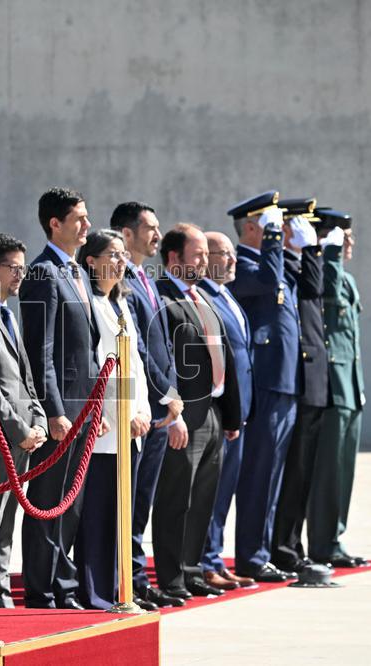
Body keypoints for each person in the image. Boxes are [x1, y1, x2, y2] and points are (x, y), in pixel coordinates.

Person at [19, 187, 101, 610]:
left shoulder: (76, 272)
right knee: (49, 502)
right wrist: (53, 410)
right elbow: (41, 349)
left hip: (83, 408)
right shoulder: (42, 273)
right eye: (79, 218)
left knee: (72, 504)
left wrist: (95, 406)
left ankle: (63, 586)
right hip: (60, 413)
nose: (87, 225)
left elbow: (85, 351)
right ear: (55, 223)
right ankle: (42, 588)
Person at [153, 223, 241, 599]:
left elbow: (227, 356)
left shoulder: (202, 297)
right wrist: (172, 413)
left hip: (213, 411)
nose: (205, 262)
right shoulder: (162, 299)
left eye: (207, 254)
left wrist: (232, 415)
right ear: (174, 258)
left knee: (203, 497)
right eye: (199, 254)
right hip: (184, 413)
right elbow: (161, 360)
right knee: (177, 498)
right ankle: (170, 577)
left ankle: (192, 571)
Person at [109, 202, 186, 610]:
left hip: (157, 407)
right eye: (150, 228)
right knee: (131, 500)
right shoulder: (126, 283)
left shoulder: (146, 279)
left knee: (143, 503)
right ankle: (129, 580)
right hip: (145, 406)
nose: (157, 235)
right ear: (126, 233)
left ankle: (137, 576)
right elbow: (138, 349)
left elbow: (161, 345)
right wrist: (166, 394)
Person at [74, 229, 153, 609]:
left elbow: (134, 363)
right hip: (107, 427)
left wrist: (143, 410)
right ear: (91, 260)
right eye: (113, 254)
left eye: (124, 255)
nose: (122, 262)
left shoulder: (121, 304)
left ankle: (121, 589)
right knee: (99, 514)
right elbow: (96, 369)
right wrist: (120, 414)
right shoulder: (88, 303)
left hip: (131, 426)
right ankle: (96, 591)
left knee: (124, 512)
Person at [226, 191, 301, 584]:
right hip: (266, 381)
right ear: (252, 227)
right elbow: (270, 281)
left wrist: (296, 248)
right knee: (258, 475)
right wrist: (274, 241)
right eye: (272, 225)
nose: (280, 231)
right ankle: (251, 557)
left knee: (272, 474)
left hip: (284, 379)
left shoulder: (274, 261)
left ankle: (265, 550)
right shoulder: (244, 265)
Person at [0, 233, 48, 608]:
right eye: (13, 268)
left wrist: (36, 420)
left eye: (23, 267)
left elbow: (25, 379)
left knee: (8, 525)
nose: (20, 275)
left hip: (23, 436)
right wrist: (19, 431)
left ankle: (1, 593)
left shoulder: (8, 312)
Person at [271, 201, 332, 574]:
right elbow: (312, 290)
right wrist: (312, 252)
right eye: (301, 228)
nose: (307, 235)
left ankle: (292, 544)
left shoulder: (294, 266)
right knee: (290, 474)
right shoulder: (284, 267)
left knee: (302, 474)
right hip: (297, 379)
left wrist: (312, 253)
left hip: (312, 379)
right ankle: (283, 547)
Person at [307, 210, 369, 568]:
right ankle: (321, 544)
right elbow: (325, 294)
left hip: (351, 385)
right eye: (343, 238)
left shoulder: (348, 279)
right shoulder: (327, 274)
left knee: (344, 471)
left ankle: (335, 537)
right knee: (328, 472)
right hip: (332, 387)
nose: (350, 244)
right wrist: (327, 253)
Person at [196, 232, 257, 590]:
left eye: (233, 253)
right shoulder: (204, 298)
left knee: (224, 493)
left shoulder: (226, 295)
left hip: (238, 410)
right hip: (216, 412)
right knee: (210, 492)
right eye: (224, 254)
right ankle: (205, 562)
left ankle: (214, 557)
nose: (233, 260)